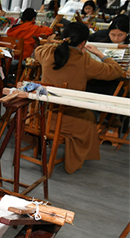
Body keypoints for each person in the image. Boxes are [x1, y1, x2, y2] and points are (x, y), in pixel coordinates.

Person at [35, 22, 125, 174]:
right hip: (65, 119)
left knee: (86, 115)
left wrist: (57, 44)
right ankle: (77, 159)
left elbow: (38, 49)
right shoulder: (84, 60)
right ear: (83, 43)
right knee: (89, 118)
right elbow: (116, 71)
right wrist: (99, 54)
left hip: (40, 114)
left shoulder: (48, 52)